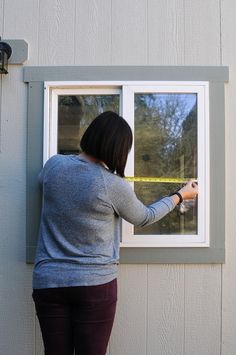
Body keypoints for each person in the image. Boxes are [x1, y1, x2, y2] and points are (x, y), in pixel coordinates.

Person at [32, 111, 198, 355]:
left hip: (49, 282)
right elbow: (144, 216)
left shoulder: (54, 165)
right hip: (94, 285)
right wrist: (181, 195)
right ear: (118, 149)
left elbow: (42, 182)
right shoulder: (112, 185)